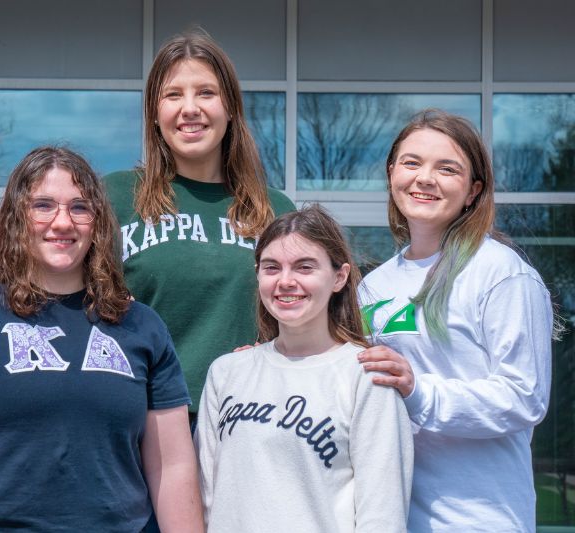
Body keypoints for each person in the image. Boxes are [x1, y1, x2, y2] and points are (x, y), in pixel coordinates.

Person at [0, 146, 204, 532]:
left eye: (80, 208)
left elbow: (171, 466)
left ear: (99, 223)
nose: (62, 222)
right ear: (17, 216)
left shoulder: (140, 326)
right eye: (43, 205)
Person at [357, 109, 554, 532]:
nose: (425, 178)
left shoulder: (501, 274)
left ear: (472, 191)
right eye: (411, 162)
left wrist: (418, 391)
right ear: (392, 173)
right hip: (391, 517)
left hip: (480, 520)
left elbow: (524, 397)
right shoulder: (371, 286)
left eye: (447, 168)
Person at [104, 29, 295, 420]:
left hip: (251, 416)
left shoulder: (275, 209)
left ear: (230, 108)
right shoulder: (116, 197)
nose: (190, 108)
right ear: (155, 115)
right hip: (143, 419)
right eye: (173, 95)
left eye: (206, 93)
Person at [195, 206, 413, 533]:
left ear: (339, 277)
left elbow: (382, 516)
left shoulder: (367, 377)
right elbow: (204, 498)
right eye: (272, 268)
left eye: (304, 267)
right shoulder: (226, 373)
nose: (285, 281)